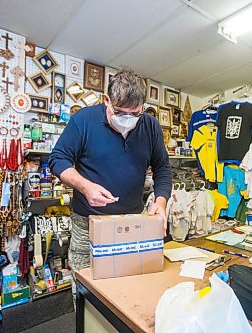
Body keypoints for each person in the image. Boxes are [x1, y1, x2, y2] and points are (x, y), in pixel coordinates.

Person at [49, 68, 172, 303]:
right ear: (107, 100)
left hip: (132, 222)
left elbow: (163, 168)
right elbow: (58, 159)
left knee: (128, 287)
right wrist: (85, 186)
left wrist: (160, 202)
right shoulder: (83, 120)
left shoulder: (150, 126)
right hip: (88, 223)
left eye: (134, 113)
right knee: (86, 288)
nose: (127, 119)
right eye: (119, 112)